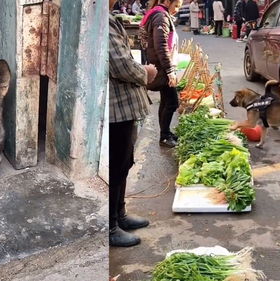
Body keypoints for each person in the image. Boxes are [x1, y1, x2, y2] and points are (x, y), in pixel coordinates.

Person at [109, 0, 158, 247]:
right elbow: (121, 65)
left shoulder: (110, 19)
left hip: (124, 109)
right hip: (115, 111)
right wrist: (146, 72)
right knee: (116, 167)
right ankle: (109, 228)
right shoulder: (103, 24)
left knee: (124, 163)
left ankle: (120, 215)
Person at [141, 0, 183, 148]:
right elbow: (161, 46)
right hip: (162, 67)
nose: (177, 9)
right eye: (176, 5)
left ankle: (165, 132)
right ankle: (164, 136)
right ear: (166, 1)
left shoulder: (160, 14)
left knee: (166, 100)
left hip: (161, 65)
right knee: (172, 102)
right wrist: (170, 71)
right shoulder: (161, 17)